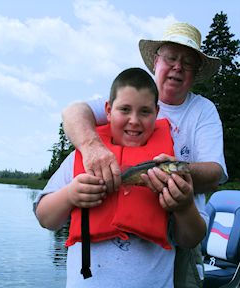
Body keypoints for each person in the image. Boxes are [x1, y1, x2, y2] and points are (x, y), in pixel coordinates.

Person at [61, 22, 228, 287]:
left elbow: (215, 173)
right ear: (156, 62)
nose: (177, 67)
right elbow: (73, 113)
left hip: (182, 230)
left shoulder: (203, 111)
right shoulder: (134, 98)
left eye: (187, 63)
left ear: (195, 74)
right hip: (121, 240)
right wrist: (93, 147)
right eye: (171, 58)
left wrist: (176, 173)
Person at [34, 67, 206, 288]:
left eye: (145, 112)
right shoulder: (82, 158)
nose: (134, 120)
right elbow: (45, 218)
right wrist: (69, 195)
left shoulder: (170, 168)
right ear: (108, 110)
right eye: (124, 109)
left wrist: (183, 206)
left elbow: (191, 238)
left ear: (157, 112)